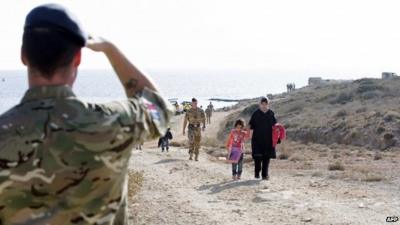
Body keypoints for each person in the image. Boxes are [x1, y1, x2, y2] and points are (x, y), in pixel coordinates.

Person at [0, 4, 173, 225]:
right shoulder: (113, 122)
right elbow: (158, 109)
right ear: (78, 59)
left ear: (24, 56)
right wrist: (111, 49)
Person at [249, 97, 277, 180]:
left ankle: (265, 175)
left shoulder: (271, 113)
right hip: (257, 140)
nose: (264, 106)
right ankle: (257, 172)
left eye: (266, 104)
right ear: (260, 104)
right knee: (257, 157)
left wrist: (276, 137)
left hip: (268, 139)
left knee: (266, 158)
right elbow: (251, 127)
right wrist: (250, 137)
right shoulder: (256, 113)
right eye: (262, 104)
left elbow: (275, 126)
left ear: (268, 104)